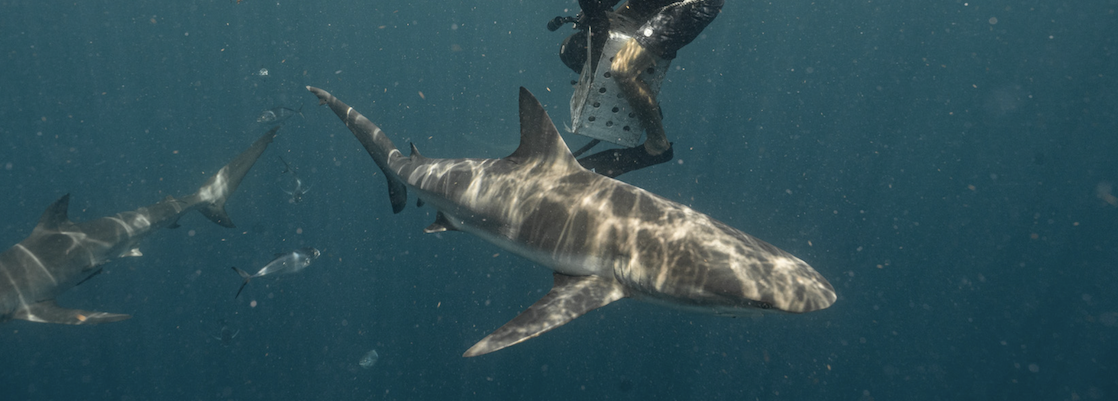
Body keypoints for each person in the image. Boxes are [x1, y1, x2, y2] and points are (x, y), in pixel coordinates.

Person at [549, 0, 724, 177]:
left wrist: (597, 15)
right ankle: (640, 99)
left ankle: (657, 144)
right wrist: (596, 15)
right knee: (574, 49)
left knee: (622, 70)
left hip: (692, 5)